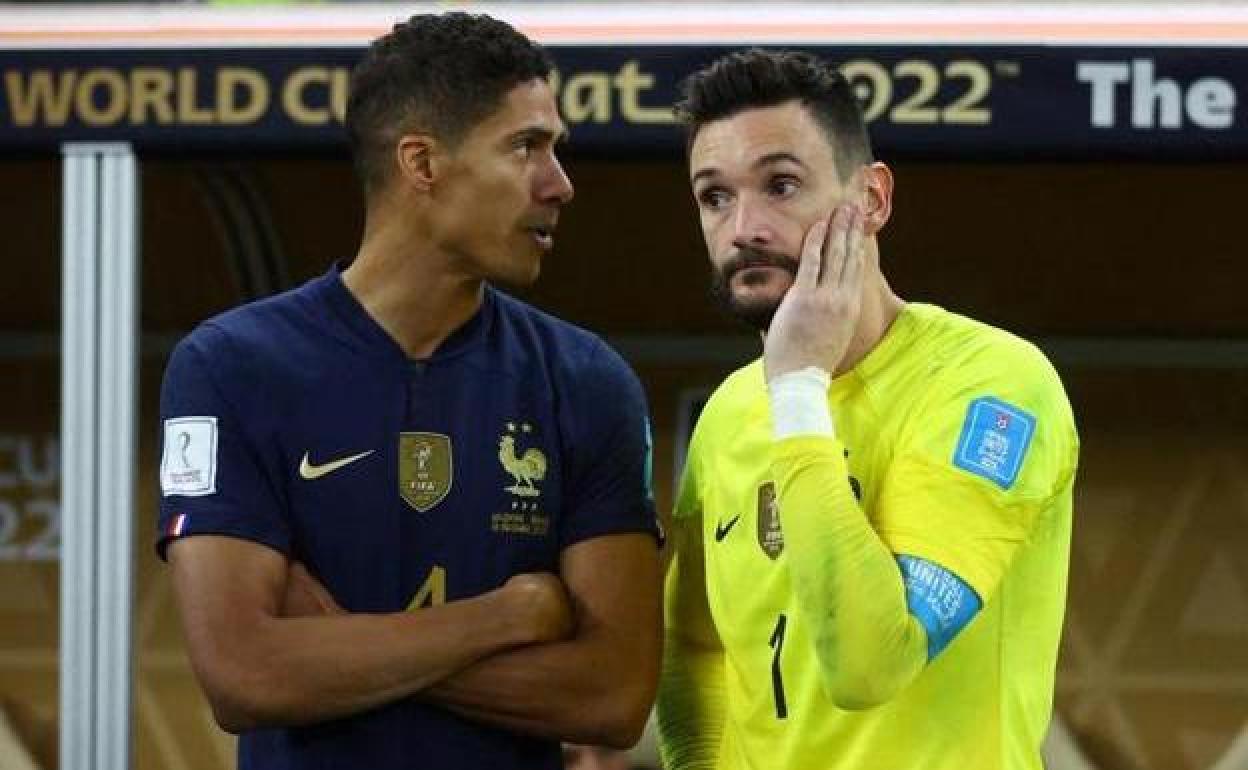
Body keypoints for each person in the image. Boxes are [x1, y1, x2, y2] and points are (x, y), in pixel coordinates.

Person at [155, 13, 661, 769]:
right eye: (527, 147)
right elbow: (243, 676)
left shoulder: (587, 382)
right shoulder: (229, 366)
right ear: (421, 163)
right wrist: (507, 615)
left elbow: (613, 697)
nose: (561, 184)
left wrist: (343, 644)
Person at [657, 49, 1078, 770]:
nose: (743, 228)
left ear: (873, 200)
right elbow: (695, 647)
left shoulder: (992, 386)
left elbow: (869, 665)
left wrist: (796, 387)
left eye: (781, 185)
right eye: (715, 197)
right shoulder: (728, 413)